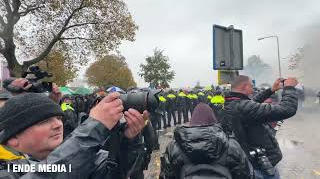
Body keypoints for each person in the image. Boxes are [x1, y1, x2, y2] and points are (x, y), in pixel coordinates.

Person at [0, 92, 147, 178]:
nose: (58, 124)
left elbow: (111, 173)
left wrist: (128, 141)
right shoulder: (8, 171)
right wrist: (94, 125)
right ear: (13, 139)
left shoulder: (84, 156)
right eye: (44, 121)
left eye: (59, 118)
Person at [221, 75, 298, 179]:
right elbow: (287, 109)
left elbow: (251, 103)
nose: (253, 89)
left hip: (247, 161)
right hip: (259, 167)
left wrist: (271, 90)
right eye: (251, 86)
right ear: (244, 87)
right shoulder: (244, 108)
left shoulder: (231, 103)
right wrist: (289, 88)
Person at [159, 103, 254, 179]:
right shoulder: (231, 145)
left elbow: (166, 175)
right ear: (213, 119)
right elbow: (246, 174)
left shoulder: (175, 147)